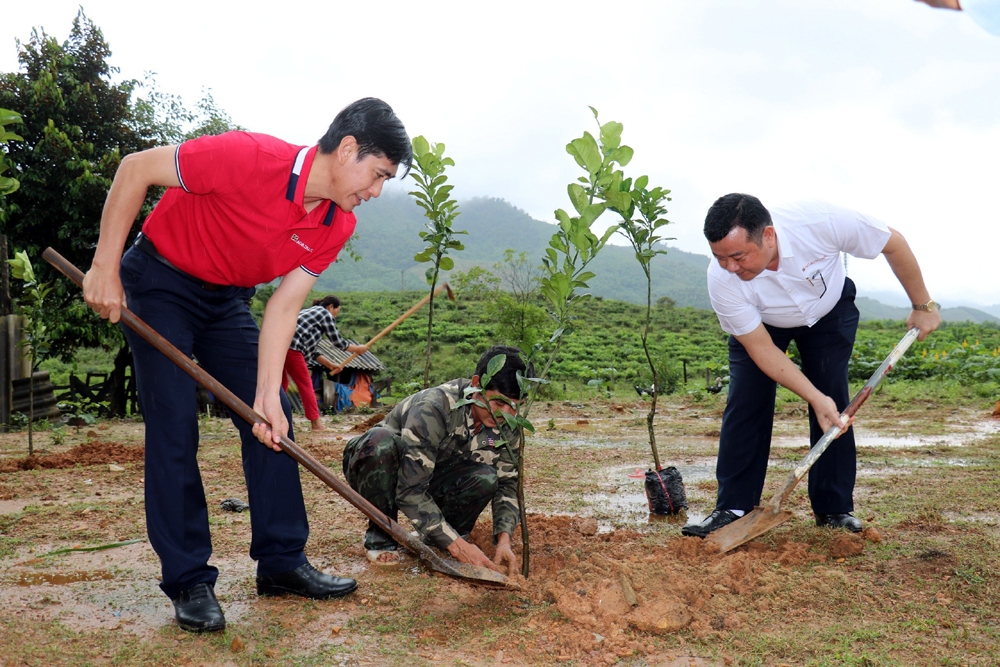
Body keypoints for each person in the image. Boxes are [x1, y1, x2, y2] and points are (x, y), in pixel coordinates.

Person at [82, 98, 412, 632]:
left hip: (226, 299)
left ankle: (282, 563)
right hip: (161, 280)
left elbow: (283, 306)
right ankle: (188, 578)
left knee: (273, 419)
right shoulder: (248, 156)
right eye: (377, 175)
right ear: (348, 149)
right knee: (174, 428)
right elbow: (135, 168)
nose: (375, 192)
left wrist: (264, 394)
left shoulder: (336, 224)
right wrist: (104, 265)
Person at [682, 195, 941, 539]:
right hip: (763, 325)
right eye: (719, 257)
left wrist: (921, 304)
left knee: (833, 397)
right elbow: (762, 350)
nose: (730, 267)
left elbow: (892, 243)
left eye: (738, 256)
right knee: (746, 399)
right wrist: (812, 397)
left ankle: (834, 508)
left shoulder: (820, 223)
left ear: (769, 236)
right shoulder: (722, 279)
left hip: (828, 311)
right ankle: (733, 507)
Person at [342, 346, 524, 574]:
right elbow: (410, 490)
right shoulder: (435, 407)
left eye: (514, 406)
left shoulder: (508, 422)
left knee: (485, 477)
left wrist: (504, 540)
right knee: (381, 442)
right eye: (498, 403)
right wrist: (460, 549)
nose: (504, 414)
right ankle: (382, 535)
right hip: (384, 468)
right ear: (476, 384)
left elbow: (507, 483)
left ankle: (439, 536)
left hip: (433, 475)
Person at [284, 295, 368, 431]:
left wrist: (329, 364)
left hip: (281, 346)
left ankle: (275, 417)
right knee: (306, 385)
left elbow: (312, 350)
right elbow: (338, 342)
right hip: (293, 348)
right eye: (336, 312)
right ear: (330, 307)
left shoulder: (310, 312)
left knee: (281, 385)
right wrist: (358, 349)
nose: (335, 316)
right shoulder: (324, 313)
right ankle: (316, 424)